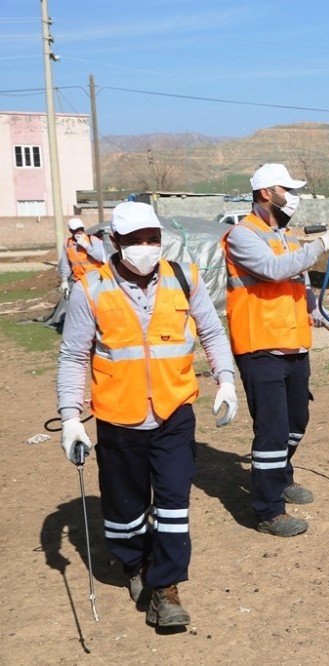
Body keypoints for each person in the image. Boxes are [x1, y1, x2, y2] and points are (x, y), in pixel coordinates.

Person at [56, 201, 238, 628]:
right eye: (135, 240)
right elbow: (72, 356)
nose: (145, 247)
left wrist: (226, 379)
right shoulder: (91, 289)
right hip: (119, 418)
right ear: (114, 243)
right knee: (125, 511)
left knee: (174, 503)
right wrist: (69, 417)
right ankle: (134, 564)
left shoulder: (183, 276)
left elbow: (212, 330)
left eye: (152, 238)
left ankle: (166, 589)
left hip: (174, 412)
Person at [221, 163, 329, 538]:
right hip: (260, 347)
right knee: (272, 431)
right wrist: (321, 245)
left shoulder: (285, 235)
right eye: (286, 189)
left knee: (297, 423)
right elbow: (275, 270)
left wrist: (319, 313)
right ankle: (268, 510)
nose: (293, 196)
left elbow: (299, 283)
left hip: (293, 344)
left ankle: (281, 475)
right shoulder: (242, 236)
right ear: (265, 193)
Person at [58, 217, 105, 298]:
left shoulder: (92, 239)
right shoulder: (67, 243)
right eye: (76, 230)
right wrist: (64, 281)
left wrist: (87, 246)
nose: (80, 232)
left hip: (96, 279)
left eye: (81, 229)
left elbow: (100, 257)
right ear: (71, 231)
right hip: (79, 281)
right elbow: (65, 265)